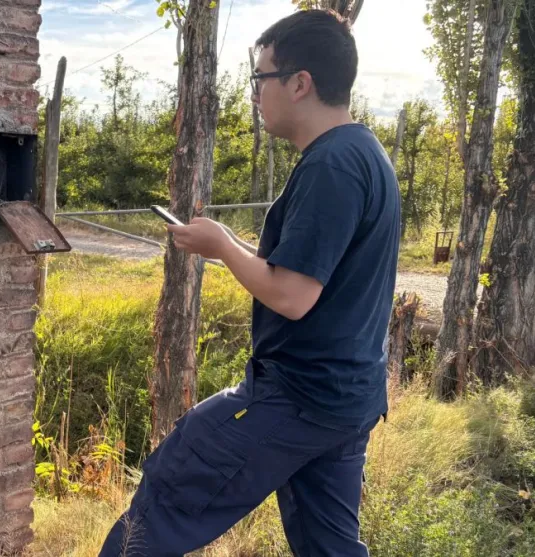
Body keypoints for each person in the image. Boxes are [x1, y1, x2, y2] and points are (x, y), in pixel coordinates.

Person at [98, 9, 400, 557]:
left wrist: (221, 246)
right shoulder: (364, 152)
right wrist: (237, 247)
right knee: (328, 545)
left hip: (298, 395)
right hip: (346, 398)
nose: (255, 94)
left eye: (260, 78)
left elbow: (291, 295)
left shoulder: (330, 166)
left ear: (299, 82)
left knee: (167, 493)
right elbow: (314, 276)